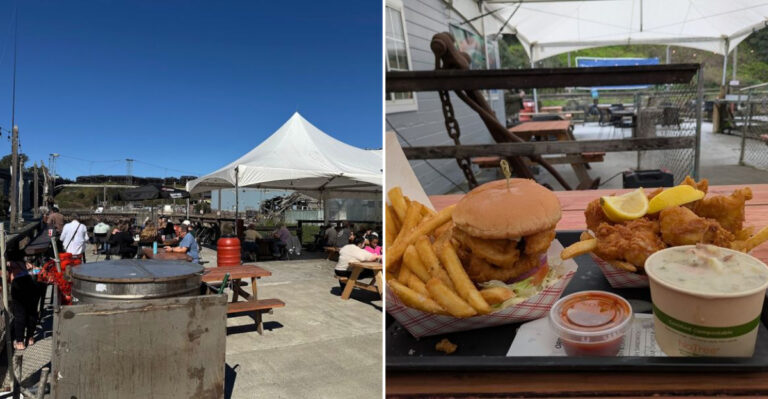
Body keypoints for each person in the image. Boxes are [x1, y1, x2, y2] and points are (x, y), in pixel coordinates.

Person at [6, 250, 38, 350]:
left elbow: (6, 275)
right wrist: (29, 272)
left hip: (19, 287)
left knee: (20, 314)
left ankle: (20, 341)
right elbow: (38, 270)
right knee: (31, 313)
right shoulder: (24, 264)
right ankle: (30, 338)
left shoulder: (11, 264)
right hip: (30, 285)